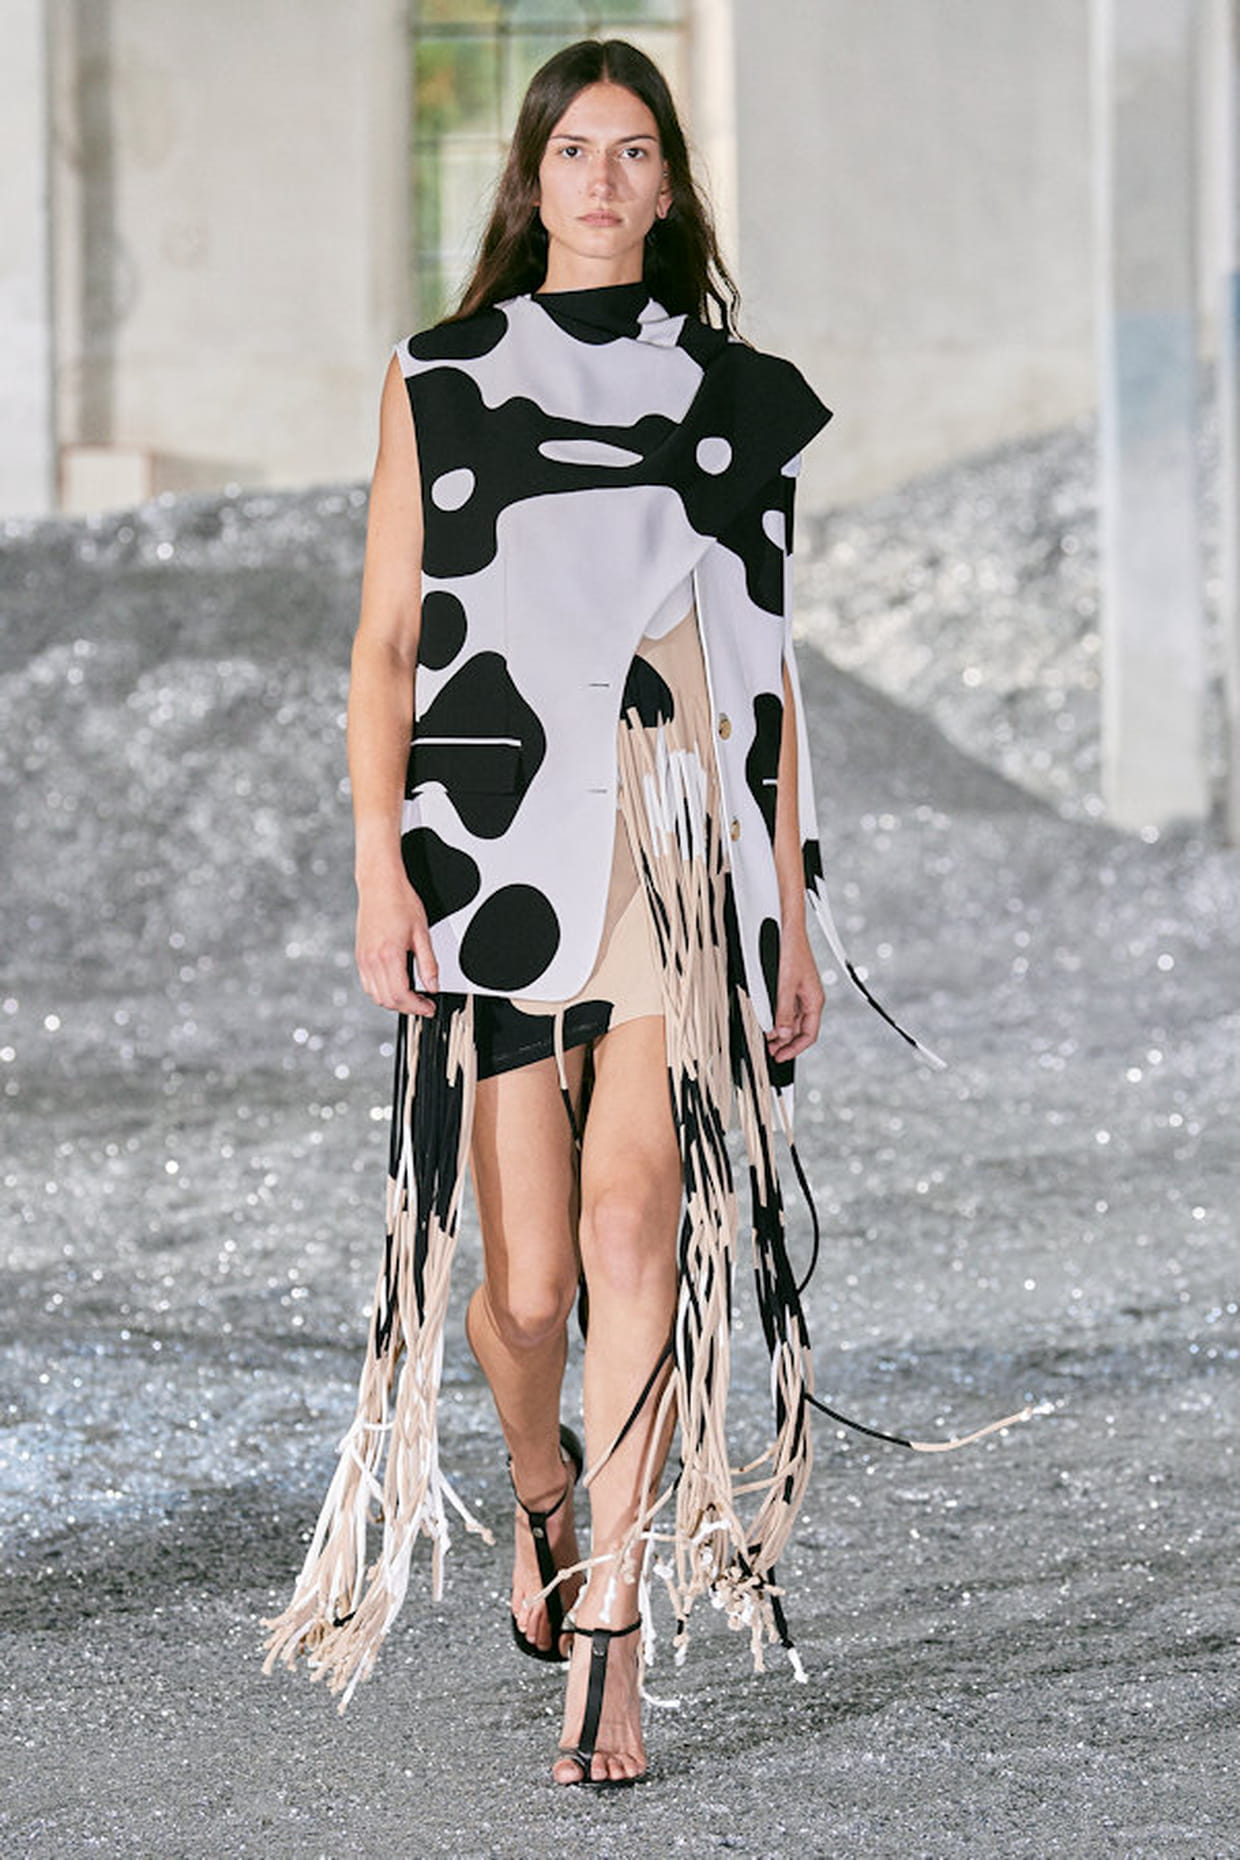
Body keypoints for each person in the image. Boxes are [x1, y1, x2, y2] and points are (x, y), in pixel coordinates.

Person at [263, 35, 943, 1786]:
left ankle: (614, 1638)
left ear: (669, 185)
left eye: (636, 150)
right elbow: (386, 647)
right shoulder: (442, 376)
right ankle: (541, 1485)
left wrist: (786, 902)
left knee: (640, 1233)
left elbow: (763, 671)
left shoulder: (735, 398)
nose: (604, 178)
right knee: (528, 1290)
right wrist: (378, 868)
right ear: (532, 176)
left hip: (673, 844)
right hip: (492, 846)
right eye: (575, 148)